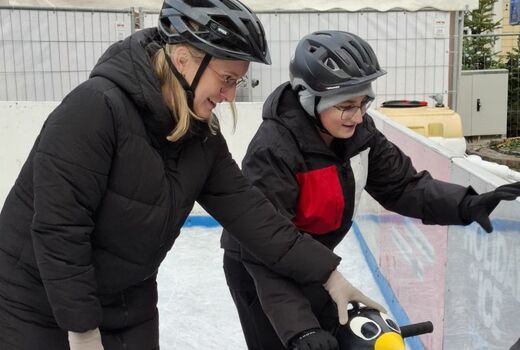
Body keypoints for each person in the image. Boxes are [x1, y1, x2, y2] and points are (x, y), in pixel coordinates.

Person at [0, 3, 360, 350]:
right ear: (183, 58)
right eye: (227, 78)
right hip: (38, 303)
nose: (231, 94)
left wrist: (330, 275)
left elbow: (253, 215)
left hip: (129, 299)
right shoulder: (95, 109)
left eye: (239, 81)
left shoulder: (200, 135)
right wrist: (81, 332)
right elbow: (59, 229)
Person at [221, 30, 520, 350]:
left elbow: (402, 185)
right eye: (346, 105)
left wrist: (465, 203)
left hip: (315, 260)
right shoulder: (274, 150)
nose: (359, 115)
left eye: (364, 102)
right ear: (308, 97)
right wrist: (301, 330)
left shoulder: (359, 133)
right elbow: (266, 247)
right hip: (258, 268)